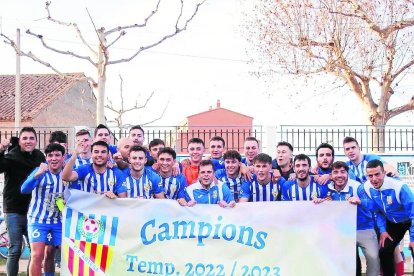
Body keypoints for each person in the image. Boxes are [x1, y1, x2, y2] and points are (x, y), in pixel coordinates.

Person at [314, 161, 380, 276]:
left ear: (348, 174)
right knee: (341, 262)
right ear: (331, 175)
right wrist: (319, 202)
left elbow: (374, 205)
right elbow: (323, 208)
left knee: (373, 257)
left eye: (342, 172)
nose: (339, 175)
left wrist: (360, 202)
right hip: (343, 231)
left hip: (364, 228)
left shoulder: (358, 187)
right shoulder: (327, 189)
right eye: (335, 172)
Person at [0, 127, 46, 275]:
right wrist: (1, 150)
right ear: (19, 141)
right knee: (15, 249)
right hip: (13, 209)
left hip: (34, 210)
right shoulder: (12, 156)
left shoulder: (39, 157)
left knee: (34, 251)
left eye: (31, 138)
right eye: (25, 138)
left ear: (36, 141)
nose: (28, 141)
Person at [21, 143, 67, 276]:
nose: (54, 158)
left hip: (58, 222)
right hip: (38, 220)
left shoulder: (67, 174)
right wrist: (37, 175)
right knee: (37, 254)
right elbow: (24, 190)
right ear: (46, 158)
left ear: (63, 157)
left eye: (57, 155)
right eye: (50, 155)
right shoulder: (40, 171)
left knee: (55, 254)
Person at [361, 159, 414, 276]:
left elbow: (413, 213)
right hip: (393, 223)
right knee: (384, 251)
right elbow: (378, 211)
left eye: (377, 174)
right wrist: (383, 230)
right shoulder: (367, 187)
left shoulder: (399, 187)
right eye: (370, 175)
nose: (374, 179)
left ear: (384, 173)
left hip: (410, 220)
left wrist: (413, 238)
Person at [62, 141, 127, 198]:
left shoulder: (117, 173)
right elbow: (66, 177)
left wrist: (115, 197)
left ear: (108, 155)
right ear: (91, 155)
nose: (99, 155)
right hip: (87, 211)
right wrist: (75, 154)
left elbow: (123, 200)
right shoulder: (84, 169)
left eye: (103, 152)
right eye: (96, 152)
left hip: (109, 211)